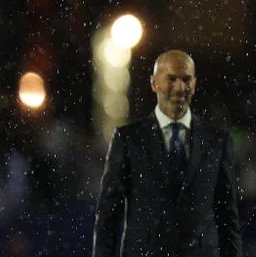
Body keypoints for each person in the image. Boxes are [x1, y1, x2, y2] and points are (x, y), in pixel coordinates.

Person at [93, 50, 243, 257]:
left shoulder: (217, 141)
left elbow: (227, 215)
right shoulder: (129, 140)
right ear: (154, 84)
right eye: (171, 79)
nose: (179, 87)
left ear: (194, 84)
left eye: (186, 79)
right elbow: (109, 214)